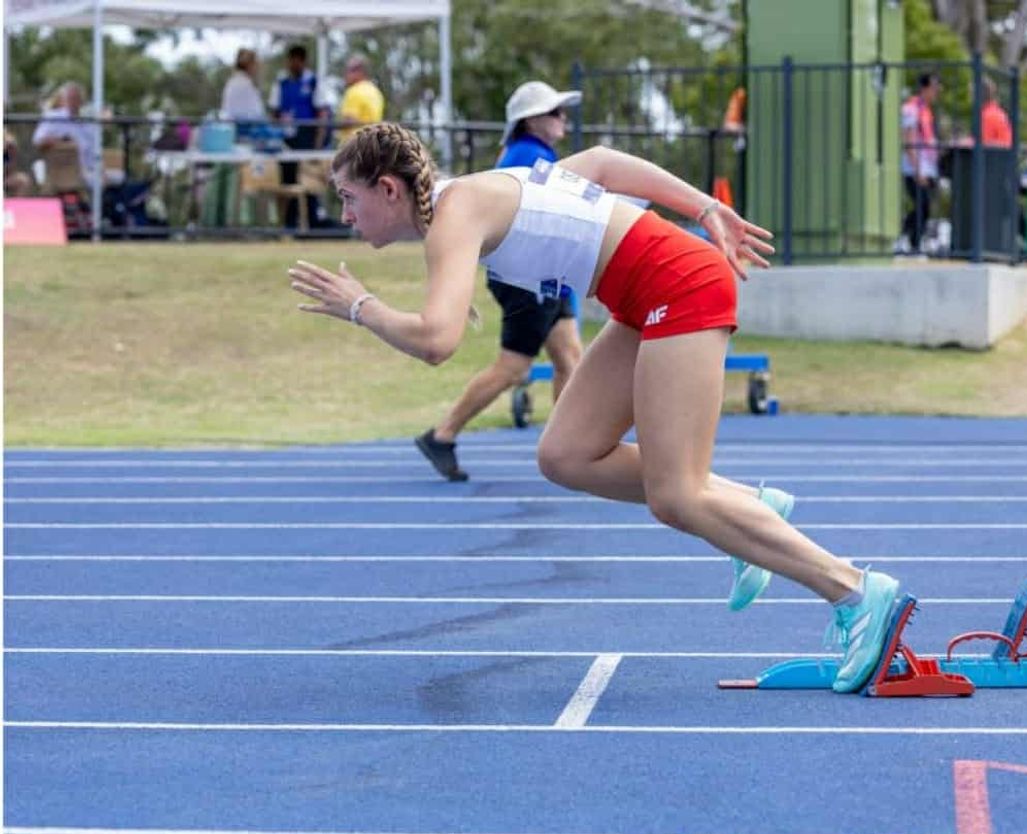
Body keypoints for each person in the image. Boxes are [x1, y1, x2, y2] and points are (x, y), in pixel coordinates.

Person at [288, 122, 904, 694]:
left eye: (348, 198)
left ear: (388, 188)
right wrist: (705, 207)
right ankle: (749, 506)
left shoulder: (458, 210)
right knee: (566, 455)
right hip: (638, 296)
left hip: (677, 282)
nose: (345, 216)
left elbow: (436, 341)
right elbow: (604, 164)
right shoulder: (476, 195)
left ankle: (855, 591)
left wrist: (360, 307)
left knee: (677, 497)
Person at [415, 80, 585, 482]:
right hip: (530, 277)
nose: (562, 118)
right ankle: (442, 434)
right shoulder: (528, 155)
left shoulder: (530, 153)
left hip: (545, 274)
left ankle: (568, 447)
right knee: (513, 367)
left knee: (570, 358)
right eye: (554, 112)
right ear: (530, 121)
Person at [270, 44, 329, 229]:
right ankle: (289, 224)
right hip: (286, 139)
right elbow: (274, 112)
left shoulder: (313, 83)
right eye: (290, 61)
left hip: (307, 138)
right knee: (287, 182)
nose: (292, 65)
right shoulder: (281, 84)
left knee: (309, 183)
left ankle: (312, 223)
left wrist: (317, 145)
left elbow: (322, 114)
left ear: (303, 62)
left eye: (296, 61)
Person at [899, 72, 941, 254]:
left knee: (925, 206)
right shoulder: (911, 108)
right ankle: (907, 237)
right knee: (922, 205)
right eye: (934, 88)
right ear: (925, 88)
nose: (936, 92)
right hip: (915, 168)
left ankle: (914, 241)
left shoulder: (926, 110)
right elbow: (909, 139)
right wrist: (917, 169)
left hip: (927, 167)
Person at [32, 81, 100, 191]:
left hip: (91, 169)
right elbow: (38, 141)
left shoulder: (87, 121)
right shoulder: (54, 118)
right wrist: (62, 141)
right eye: (71, 98)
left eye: (77, 98)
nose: (74, 102)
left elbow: (95, 151)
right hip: (67, 171)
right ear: (63, 100)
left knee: (120, 180)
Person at [336, 54, 385, 146]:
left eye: (348, 70)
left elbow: (348, 121)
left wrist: (335, 128)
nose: (345, 74)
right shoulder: (376, 92)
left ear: (359, 72)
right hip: (372, 144)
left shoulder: (354, 91)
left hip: (353, 146)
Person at [220, 48, 268, 134]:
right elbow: (257, 114)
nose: (257, 68)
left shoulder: (232, 82)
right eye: (256, 64)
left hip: (233, 130)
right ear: (250, 65)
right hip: (244, 131)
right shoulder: (245, 84)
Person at [980, 78, 1012, 149]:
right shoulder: (995, 111)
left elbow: (982, 144)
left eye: (971, 93)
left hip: (996, 154)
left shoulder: (987, 115)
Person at [5, 129, 34, 197]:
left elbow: (9, 169)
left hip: (6, 178)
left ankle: (17, 203)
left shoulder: (9, 153)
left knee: (24, 180)